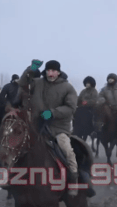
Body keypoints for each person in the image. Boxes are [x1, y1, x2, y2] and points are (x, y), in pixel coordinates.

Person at [18, 59, 94, 197]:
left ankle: (73, 180)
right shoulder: (37, 83)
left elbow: (71, 107)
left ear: (58, 72)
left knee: (67, 150)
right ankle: (13, 177)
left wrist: (52, 113)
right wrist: (31, 69)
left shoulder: (67, 87)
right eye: (48, 70)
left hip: (58, 128)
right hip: (36, 126)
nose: (50, 73)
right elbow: (22, 83)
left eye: (53, 71)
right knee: (17, 145)